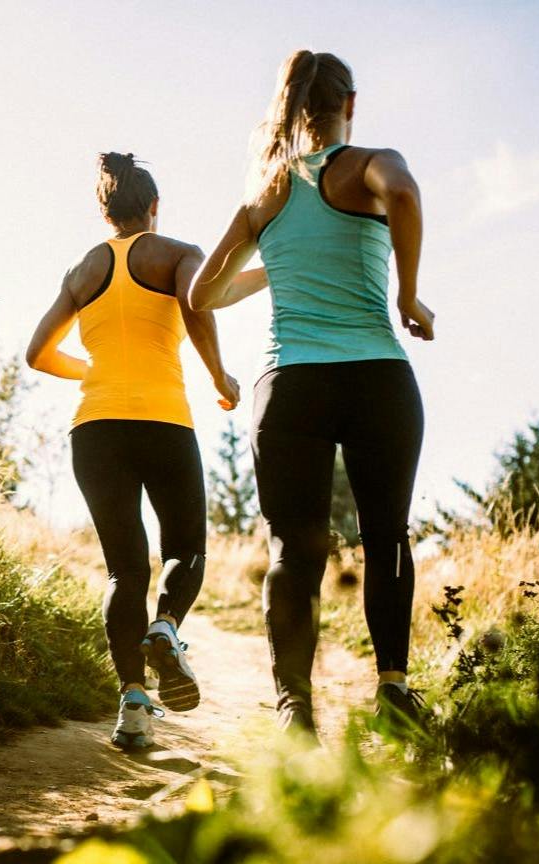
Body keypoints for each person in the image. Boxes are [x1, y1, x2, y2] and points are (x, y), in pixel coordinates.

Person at [190, 50, 433, 738]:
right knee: (385, 535)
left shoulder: (265, 194)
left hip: (289, 384)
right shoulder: (371, 164)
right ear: (348, 104)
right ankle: (393, 688)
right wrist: (408, 296)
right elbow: (407, 198)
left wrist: (277, 264)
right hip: (375, 376)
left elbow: (201, 293)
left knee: (294, 550)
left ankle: (295, 706)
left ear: (294, 111)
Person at [27, 152, 255, 750]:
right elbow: (197, 306)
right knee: (185, 550)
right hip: (162, 420)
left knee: (124, 569)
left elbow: (37, 353)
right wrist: (220, 378)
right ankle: (166, 627)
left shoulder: (81, 270)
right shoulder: (177, 253)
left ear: (105, 213)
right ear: (154, 207)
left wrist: (94, 371)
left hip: (95, 428)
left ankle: (132, 705)